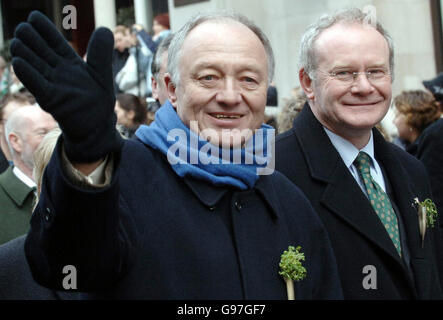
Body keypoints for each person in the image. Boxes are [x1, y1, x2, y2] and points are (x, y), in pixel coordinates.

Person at [10, 11, 342, 299]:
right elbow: (70, 270)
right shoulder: (119, 177)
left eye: (248, 79)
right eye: (208, 77)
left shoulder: (289, 200)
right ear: (171, 89)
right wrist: (83, 155)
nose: (229, 96)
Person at [275, 8, 443, 299]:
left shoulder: (411, 169)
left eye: (376, 71)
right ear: (307, 83)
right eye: (344, 73)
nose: (364, 87)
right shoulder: (272, 171)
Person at [0, 105, 57, 245]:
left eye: (57, 131)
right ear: (15, 141)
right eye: (43, 133)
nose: (55, 139)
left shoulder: (74, 187)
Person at [394, 90, 443, 217]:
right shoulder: (405, 147)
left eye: (398, 115)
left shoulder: (433, 139)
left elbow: (431, 195)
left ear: (410, 117)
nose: (394, 121)